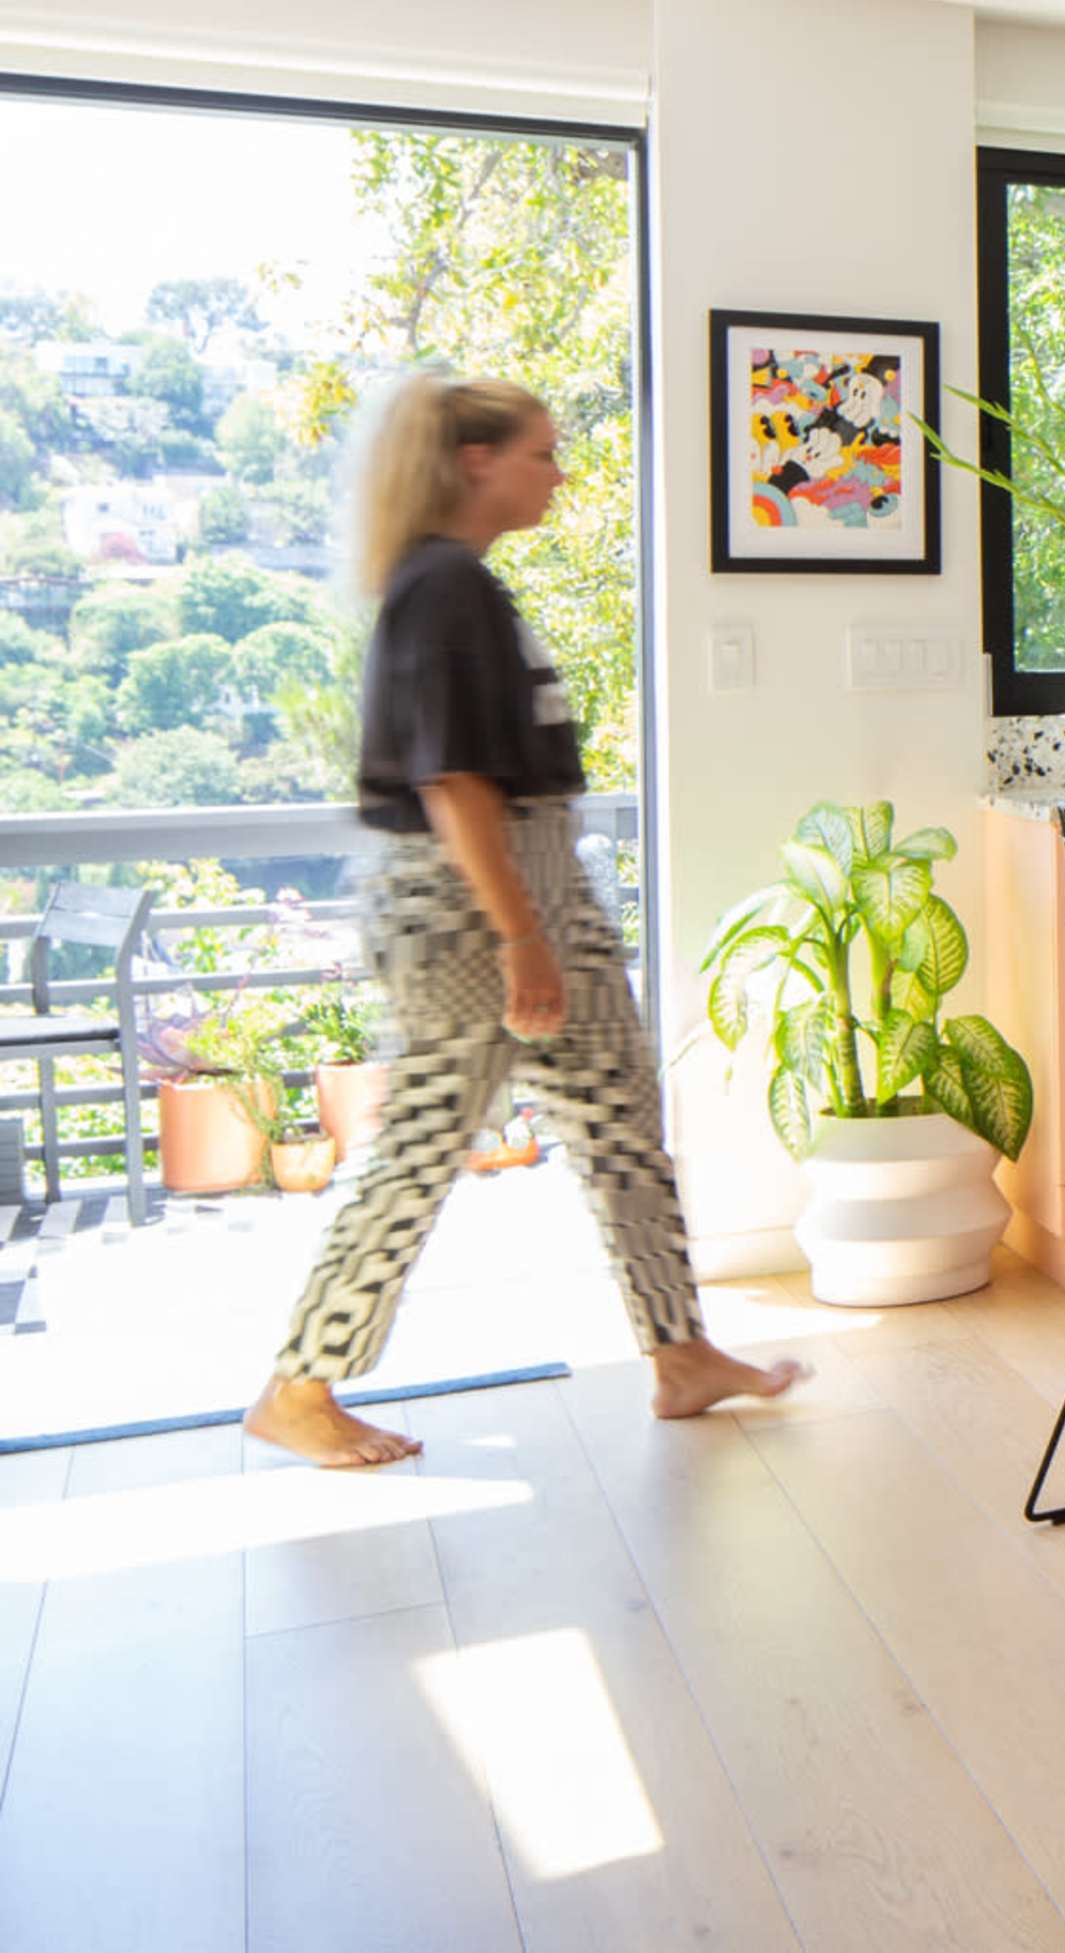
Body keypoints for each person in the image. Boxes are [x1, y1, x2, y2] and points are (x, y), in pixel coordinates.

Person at [248, 374, 800, 1469]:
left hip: (533, 886)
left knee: (620, 1125)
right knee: (423, 1142)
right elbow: (453, 779)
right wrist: (522, 935)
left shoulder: (466, 585)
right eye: (542, 452)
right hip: (476, 907)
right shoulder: (444, 585)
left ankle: (681, 1350)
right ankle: (298, 1384)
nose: (559, 470)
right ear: (474, 462)